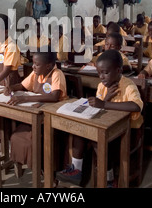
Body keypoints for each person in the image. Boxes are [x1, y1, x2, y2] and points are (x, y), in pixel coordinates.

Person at [56, 49, 143, 187]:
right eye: (99, 73)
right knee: (80, 132)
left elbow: (136, 106)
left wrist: (104, 103)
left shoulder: (128, 85)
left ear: (119, 70)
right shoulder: (102, 86)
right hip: (106, 126)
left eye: (106, 73)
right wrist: (105, 99)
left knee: (99, 141)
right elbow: (100, 105)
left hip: (127, 131)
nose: (101, 77)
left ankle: (109, 179)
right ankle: (76, 170)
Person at [4, 49, 67, 169]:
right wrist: (11, 87)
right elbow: (23, 86)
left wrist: (24, 99)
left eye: (36, 64)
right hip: (37, 114)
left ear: (48, 66)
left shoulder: (56, 74)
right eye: (33, 63)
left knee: (33, 138)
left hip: (52, 117)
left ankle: (44, 168)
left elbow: (54, 96)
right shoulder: (36, 73)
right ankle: (26, 162)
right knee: (16, 134)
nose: (33, 67)